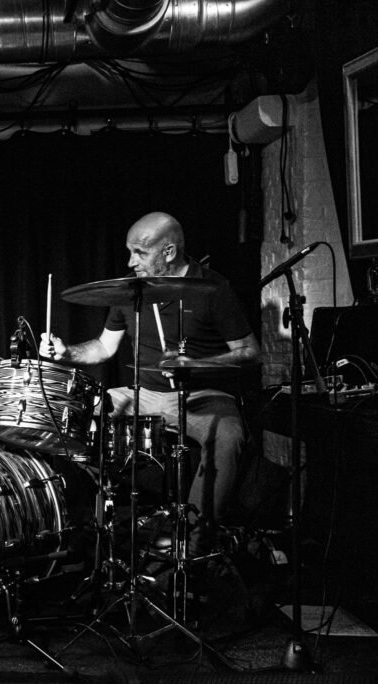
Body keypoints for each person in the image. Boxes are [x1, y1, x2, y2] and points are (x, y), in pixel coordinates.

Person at [40, 212, 259, 556]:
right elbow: (104, 347)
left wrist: (194, 364)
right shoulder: (130, 290)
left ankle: (193, 546)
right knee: (71, 414)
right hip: (142, 393)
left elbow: (249, 352)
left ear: (168, 252)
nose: (131, 262)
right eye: (130, 252)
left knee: (229, 437)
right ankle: (84, 528)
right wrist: (67, 352)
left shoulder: (213, 288)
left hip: (202, 396)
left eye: (139, 253)